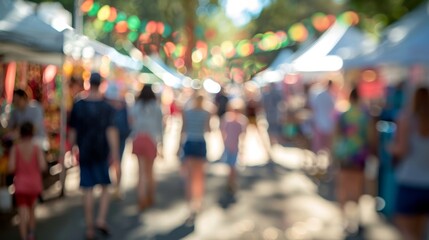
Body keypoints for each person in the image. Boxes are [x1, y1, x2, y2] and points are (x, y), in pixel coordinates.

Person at [68, 72, 119, 240]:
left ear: (89, 83)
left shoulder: (79, 104)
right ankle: (101, 219)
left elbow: (73, 132)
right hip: (101, 152)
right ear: (101, 84)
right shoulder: (106, 107)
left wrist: (71, 150)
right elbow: (111, 131)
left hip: (85, 151)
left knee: (87, 189)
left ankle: (90, 227)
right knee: (105, 186)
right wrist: (115, 154)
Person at [390, 87, 429, 240]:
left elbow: (402, 149)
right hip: (426, 184)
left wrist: (390, 147)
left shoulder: (406, 119)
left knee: (405, 230)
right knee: (419, 231)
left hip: (409, 181)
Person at [333, 88, 370, 232]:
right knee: (358, 187)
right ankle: (358, 218)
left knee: (343, 188)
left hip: (345, 155)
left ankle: (344, 221)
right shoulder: (364, 115)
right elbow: (370, 136)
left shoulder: (343, 114)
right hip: (359, 155)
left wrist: (334, 154)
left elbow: (336, 135)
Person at [8, 122, 46, 240]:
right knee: (32, 212)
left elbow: (11, 167)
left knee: (22, 214)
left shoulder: (15, 148)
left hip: (20, 186)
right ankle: (31, 234)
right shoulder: (36, 148)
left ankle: (24, 237)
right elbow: (43, 166)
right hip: (34, 185)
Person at [179, 93, 212, 222]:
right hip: (200, 143)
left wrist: (178, 146)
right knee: (199, 177)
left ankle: (190, 206)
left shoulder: (186, 112)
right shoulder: (206, 112)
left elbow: (183, 129)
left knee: (189, 177)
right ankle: (197, 203)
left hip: (189, 143)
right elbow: (208, 130)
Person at [130, 84, 163, 211]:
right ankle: (150, 195)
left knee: (140, 171)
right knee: (150, 171)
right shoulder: (156, 107)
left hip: (138, 138)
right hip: (151, 140)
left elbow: (132, 122)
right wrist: (161, 144)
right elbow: (160, 127)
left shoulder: (136, 106)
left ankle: (141, 197)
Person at [105, 82, 131, 199]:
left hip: (118, 138)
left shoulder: (120, 106)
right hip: (113, 138)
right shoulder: (122, 105)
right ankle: (113, 187)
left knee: (117, 162)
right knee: (115, 162)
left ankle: (116, 187)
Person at [220, 99, 248, 193]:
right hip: (228, 146)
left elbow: (243, 136)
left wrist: (242, 149)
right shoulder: (226, 119)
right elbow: (222, 132)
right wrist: (223, 143)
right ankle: (230, 182)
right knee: (230, 166)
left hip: (236, 147)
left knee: (233, 166)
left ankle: (232, 182)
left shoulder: (242, 121)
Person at [309, 80, 336, 153]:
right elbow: (333, 109)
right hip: (327, 123)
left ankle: (317, 160)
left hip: (319, 122)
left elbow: (313, 107)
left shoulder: (320, 95)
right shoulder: (331, 96)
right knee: (327, 145)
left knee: (318, 145)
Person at [261, 82, 283, 146]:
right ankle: (274, 141)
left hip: (271, 114)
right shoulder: (276, 94)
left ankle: (273, 141)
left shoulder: (266, 95)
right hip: (274, 114)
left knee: (272, 127)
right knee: (274, 127)